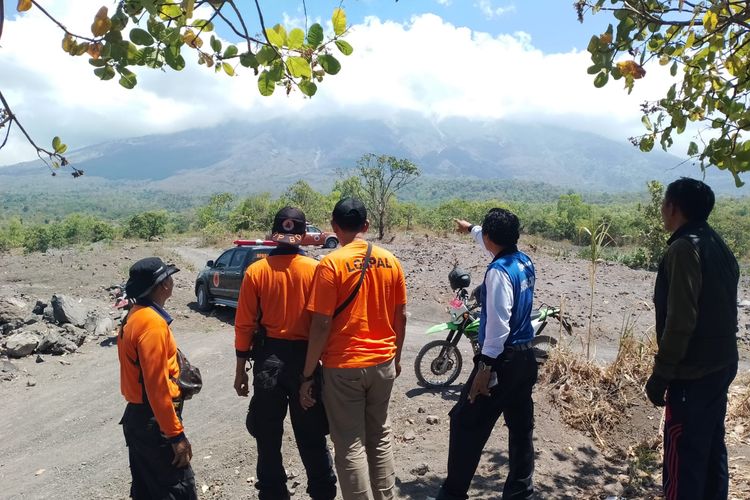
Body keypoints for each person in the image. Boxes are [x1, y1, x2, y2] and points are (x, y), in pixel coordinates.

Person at [299, 197, 408, 500]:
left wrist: (308, 374)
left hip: (343, 368)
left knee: (349, 443)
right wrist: (396, 358)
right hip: (383, 363)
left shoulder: (331, 264)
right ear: (367, 225)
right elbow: (401, 317)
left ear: (334, 226)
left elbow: (320, 325)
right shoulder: (391, 262)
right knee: (380, 436)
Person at [645, 178, 739, 500]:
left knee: (683, 458)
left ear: (672, 207)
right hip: (721, 365)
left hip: (693, 373)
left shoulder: (685, 248)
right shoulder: (718, 244)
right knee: (711, 448)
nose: (661, 210)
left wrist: (661, 374)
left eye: (663, 204)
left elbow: (681, 322)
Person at [234, 206, 337, 500]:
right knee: (312, 435)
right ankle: (322, 490)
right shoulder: (317, 270)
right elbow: (325, 323)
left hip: (269, 360)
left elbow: (244, 325)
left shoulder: (256, 272)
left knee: (267, 437)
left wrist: (241, 369)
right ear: (303, 235)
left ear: (273, 233)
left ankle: (272, 492)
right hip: (306, 359)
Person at [436, 210, 537, 500]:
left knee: (465, 422)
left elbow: (498, 324)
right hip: (526, 359)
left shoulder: (498, 273)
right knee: (520, 429)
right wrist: (470, 229)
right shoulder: (523, 261)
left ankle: (453, 493)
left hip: (502, 361)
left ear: (493, 239)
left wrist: (485, 369)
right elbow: (486, 238)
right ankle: (520, 493)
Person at [117, 257, 197, 500]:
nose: (172, 281)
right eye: (169, 277)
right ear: (162, 286)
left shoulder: (136, 314)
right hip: (154, 422)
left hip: (141, 419)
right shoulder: (152, 324)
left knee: (147, 491)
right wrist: (175, 435)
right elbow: (156, 387)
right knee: (177, 490)